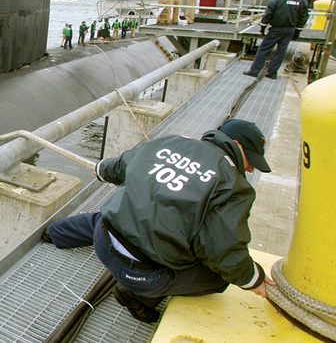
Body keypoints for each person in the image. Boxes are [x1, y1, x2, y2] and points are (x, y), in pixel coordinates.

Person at [45, 119, 274, 323]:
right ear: (237, 145)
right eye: (251, 160)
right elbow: (222, 250)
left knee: (116, 214)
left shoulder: (169, 141)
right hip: (142, 275)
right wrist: (254, 279)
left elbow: (120, 166)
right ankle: (139, 298)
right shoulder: (235, 186)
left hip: (102, 239)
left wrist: (101, 170)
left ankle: (55, 232)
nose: (251, 168)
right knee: (217, 277)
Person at [244, 0, 309, 80]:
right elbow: (304, 17)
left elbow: (269, 12)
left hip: (277, 29)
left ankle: (254, 71)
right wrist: (297, 31)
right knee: (281, 51)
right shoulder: (302, 1)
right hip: (290, 30)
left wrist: (263, 26)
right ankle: (273, 73)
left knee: (264, 49)